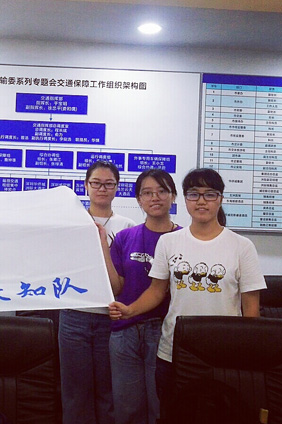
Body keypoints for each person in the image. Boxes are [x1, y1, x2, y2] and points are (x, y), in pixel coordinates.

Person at [109, 167, 265, 423]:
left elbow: (251, 308)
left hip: (223, 353)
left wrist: (247, 356)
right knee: (174, 415)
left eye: (209, 194)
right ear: (184, 198)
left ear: (220, 198)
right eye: (194, 194)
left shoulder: (242, 246)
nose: (201, 201)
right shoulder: (169, 242)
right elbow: (156, 291)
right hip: (173, 351)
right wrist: (130, 310)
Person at [100, 169, 180, 424]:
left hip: (166, 332)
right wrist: (102, 246)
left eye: (162, 191)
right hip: (125, 331)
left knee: (161, 406)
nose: (155, 197)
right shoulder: (125, 237)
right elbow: (117, 287)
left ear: (173, 196)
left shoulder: (184, 239)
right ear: (139, 199)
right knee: (126, 408)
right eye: (147, 192)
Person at [60, 160, 135, 424]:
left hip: (112, 318)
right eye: (96, 183)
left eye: (109, 184)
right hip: (74, 315)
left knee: (109, 391)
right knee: (75, 392)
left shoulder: (128, 226)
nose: (102, 189)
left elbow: (127, 277)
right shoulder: (70, 223)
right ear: (86, 186)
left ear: (117, 188)